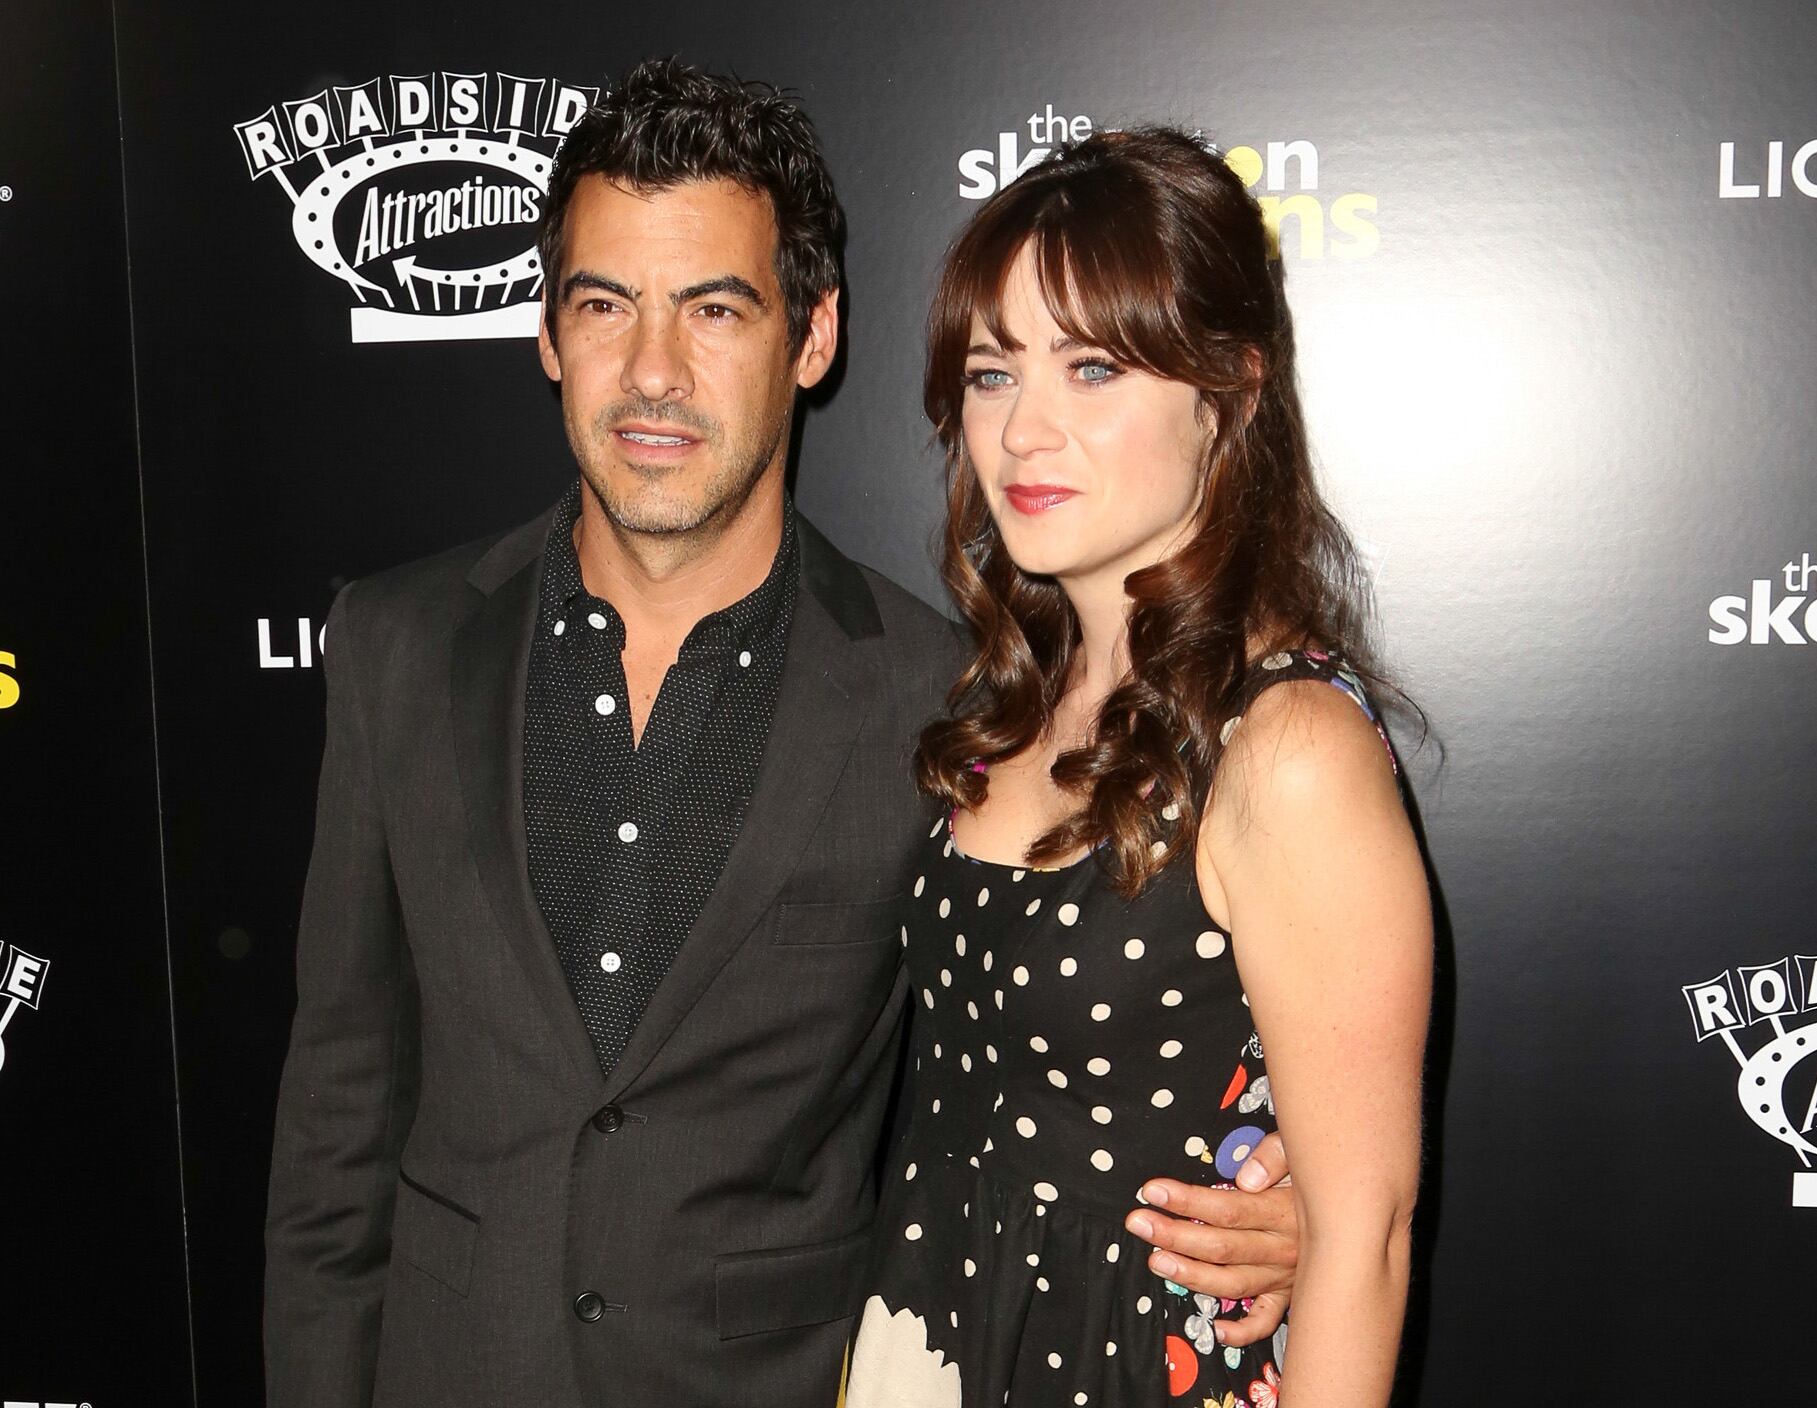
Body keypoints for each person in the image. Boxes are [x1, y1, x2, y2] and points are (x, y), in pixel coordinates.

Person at [263, 63, 1301, 1408]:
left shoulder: (955, 704)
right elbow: (334, 1133)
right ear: (548, 335)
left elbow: (1044, 1058)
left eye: (714, 309)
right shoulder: (397, 648)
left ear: (812, 337)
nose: (651, 371)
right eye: (603, 305)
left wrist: (1274, 1204)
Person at [841, 127, 1432, 1407]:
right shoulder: (1005, 703)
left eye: (1092, 367)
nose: (1022, 430)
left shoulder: (1287, 749)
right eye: (991, 373)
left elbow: (1363, 1236)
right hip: (929, 1343)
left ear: (1228, 391)